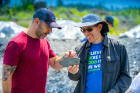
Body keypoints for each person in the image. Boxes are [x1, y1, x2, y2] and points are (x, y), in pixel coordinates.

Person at [2, 8, 76, 93]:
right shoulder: (16, 44)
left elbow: (55, 63)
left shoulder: (44, 42)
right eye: (48, 26)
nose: (51, 31)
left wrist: (66, 59)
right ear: (37, 22)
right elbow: (6, 76)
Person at [67, 14, 131, 93]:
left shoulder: (118, 47)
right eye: (83, 30)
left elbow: (126, 77)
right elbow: (74, 77)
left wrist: (114, 91)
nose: (86, 33)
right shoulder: (79, 49)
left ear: (100, 27)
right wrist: (73, 71)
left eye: (89, 29)